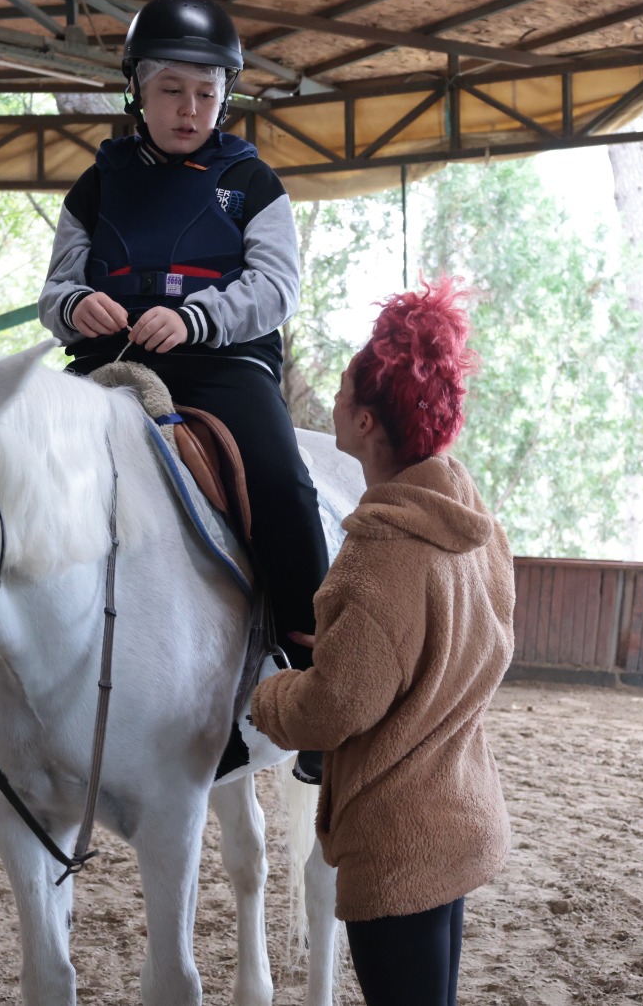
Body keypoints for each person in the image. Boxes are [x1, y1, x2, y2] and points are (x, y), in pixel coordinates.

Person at [38, 0, 330, 782]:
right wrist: (75, 305)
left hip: (222, 364)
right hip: (106, 363)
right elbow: (54, 292)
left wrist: (198, 320)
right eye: (173, 91)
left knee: (281, 483)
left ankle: (315, 679)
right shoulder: (95, 188)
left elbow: (277, 288)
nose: (190, 108)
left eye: (206, 93)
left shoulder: (254, 183)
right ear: (139, 89)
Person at [248, 277, 516, 1006]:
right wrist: (356, 638)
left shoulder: (378, 556)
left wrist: (267, 696)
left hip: (399, 843)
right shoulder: (469, 517)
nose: (329, 403)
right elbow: (480, 637)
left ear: (366, 423)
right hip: (461, 813)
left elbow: (334, 708)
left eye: (339, 393)